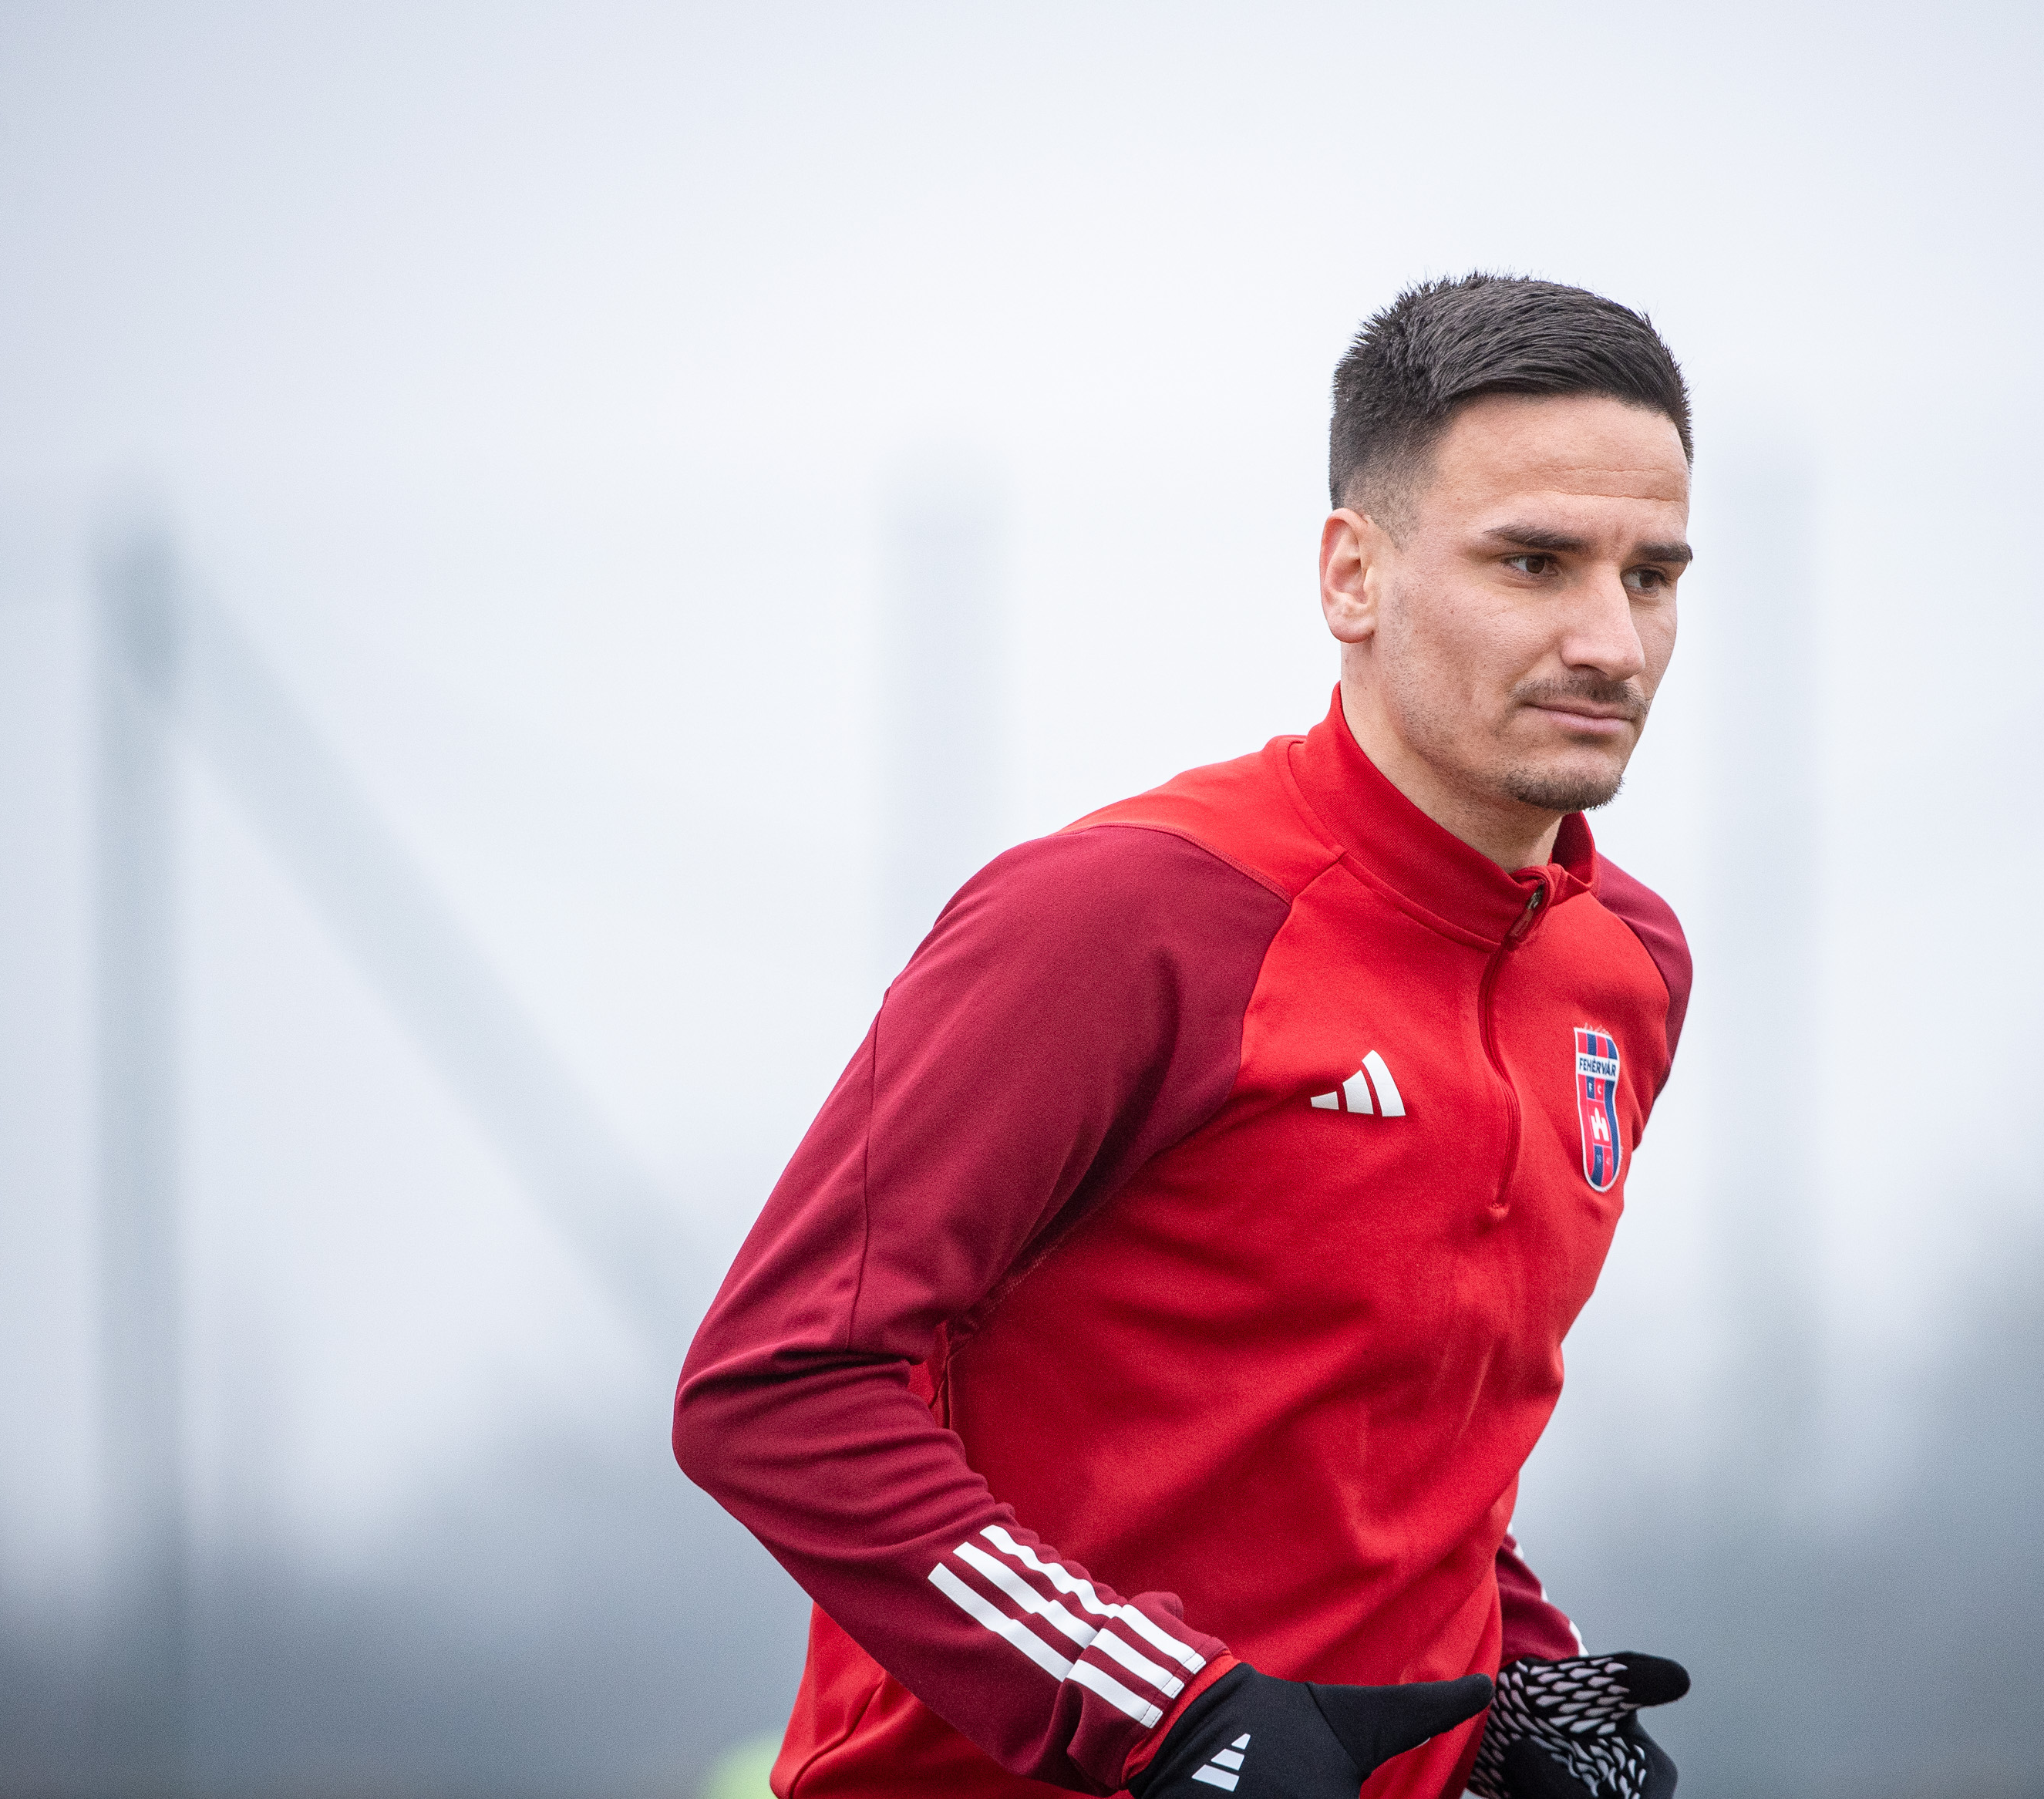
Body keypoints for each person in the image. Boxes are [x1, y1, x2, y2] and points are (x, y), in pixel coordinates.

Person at [674, 274, 1699, 1799]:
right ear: (1353, 575)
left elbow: (1395, 1450)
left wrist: (1521, 1683)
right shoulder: (1126, 916)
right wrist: (1171, 1713)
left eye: (1651, 575)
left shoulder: (1627, 966)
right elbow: (775, 1390)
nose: (1610, 640)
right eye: (1534, 562)